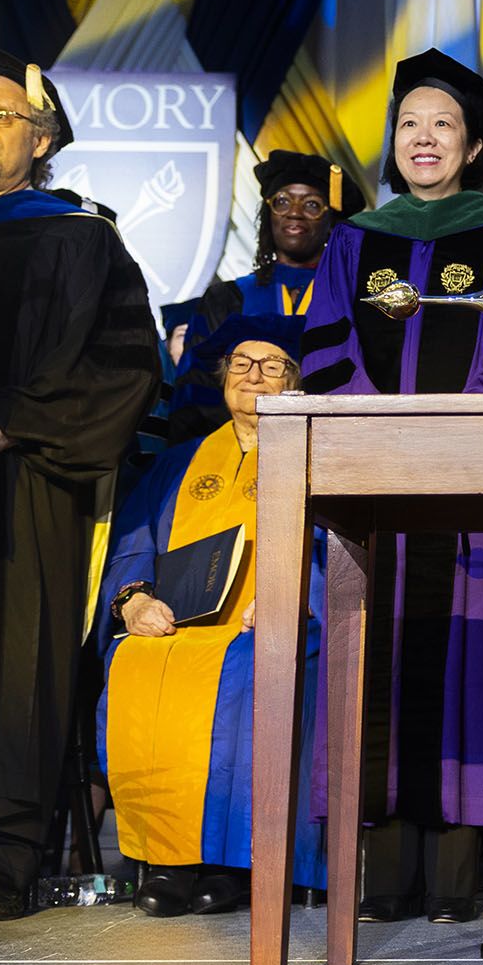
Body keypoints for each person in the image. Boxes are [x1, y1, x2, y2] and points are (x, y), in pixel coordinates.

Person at [299, 48, 483, 923]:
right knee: (375, 662)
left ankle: (455, 877)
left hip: (470, 485)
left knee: (469, 660)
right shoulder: (355, 241)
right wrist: (379, 430)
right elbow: (328, 350)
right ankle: (384, 875)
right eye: (409, 124)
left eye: (442, 124)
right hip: (380, 489)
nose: (423, 138)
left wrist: (457, 434)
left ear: (475, 144)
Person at [0, 52, 161, 920]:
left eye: (0, 115)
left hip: (26, 477)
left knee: (18, 660)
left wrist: (6, 421)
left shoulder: (81, 234)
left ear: (45, 137)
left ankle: (5, 853)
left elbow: (126, 365)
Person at [99, 316, 328, 917]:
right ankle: (170, 859)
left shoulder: (317, 453)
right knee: (134, 662)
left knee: (243, 675)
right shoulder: (179, 462)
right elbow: (133, 543)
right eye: (241, 363)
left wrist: (289, 594)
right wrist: (135, 602)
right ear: (222, 376)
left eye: (272, 364)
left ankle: (239, 863)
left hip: (273, 623)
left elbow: (337, 548)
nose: (253, 376)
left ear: (297, 380)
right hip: (181, 626)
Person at [165, 151, 352, 440]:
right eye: (282, 201)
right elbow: (197, 389)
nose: (294, 211)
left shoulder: (349, 299)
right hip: (235, 449)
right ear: (268, 215)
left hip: (326, 447)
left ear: (331, 220)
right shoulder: (227, 298)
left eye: (312, 204)